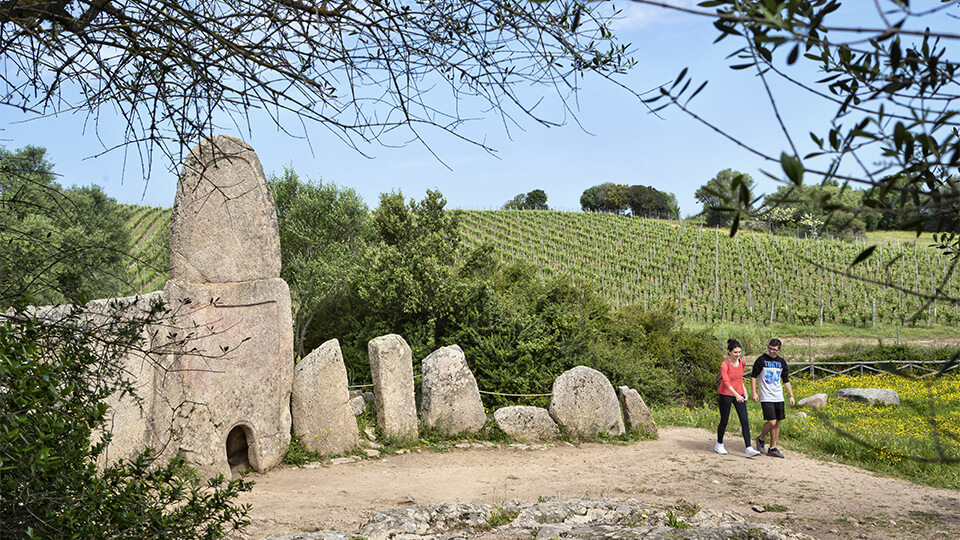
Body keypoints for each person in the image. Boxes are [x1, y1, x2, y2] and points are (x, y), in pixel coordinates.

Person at [716, 339, 762, 458]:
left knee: (745, 420)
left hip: (739, 393)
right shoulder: (725, 364)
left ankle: (748, 448)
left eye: (739, 352)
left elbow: (740, 379)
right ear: (729, 352)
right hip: (726, 394)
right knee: (724, 420)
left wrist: (744, 392)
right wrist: (736, 395)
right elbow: (726, 381)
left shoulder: (742, 362)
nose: (738, 354)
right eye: (735, 352)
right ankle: (719, 444)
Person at [751, 338, 795, 458]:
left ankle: (772, 448)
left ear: (779, 350)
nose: (771, 351)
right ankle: (761, 438)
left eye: (774, 350)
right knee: (771, 421)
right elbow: (753, 376)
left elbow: (785, 380)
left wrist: (791, 395)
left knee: (777, 423)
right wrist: (754, 392)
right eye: (770, 348)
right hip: (766, 396)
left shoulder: (781, 362)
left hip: (778, 395)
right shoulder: (761, 360)